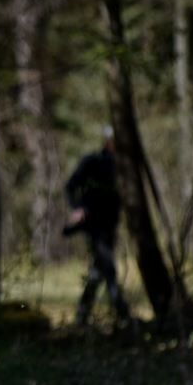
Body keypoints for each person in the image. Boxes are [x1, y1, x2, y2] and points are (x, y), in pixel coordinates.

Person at [63, 126, 132, 327]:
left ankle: (82, 315)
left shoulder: (121, 167)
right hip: (94, 227)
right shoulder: (93, 162)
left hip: (110, 227)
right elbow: (70, 187)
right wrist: (78, 209)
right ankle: (123, 314)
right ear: (108, 141)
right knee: (108, 269)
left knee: (98, 269)